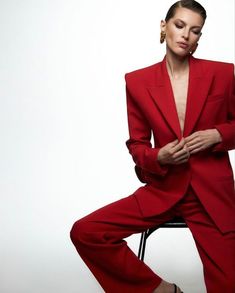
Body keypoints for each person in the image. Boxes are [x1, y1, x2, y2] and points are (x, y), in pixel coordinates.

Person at [70, 0, 235, 292]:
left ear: (200, 37)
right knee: (87, 232)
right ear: (164, 26)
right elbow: (137, 144)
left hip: (211, 197)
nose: (186, 35)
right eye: (179, 25)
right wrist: (159, 156)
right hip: (163, 190)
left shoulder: (222, 74)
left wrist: (218, 136)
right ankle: (162, 291)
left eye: (195, 31)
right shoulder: (137, 82)